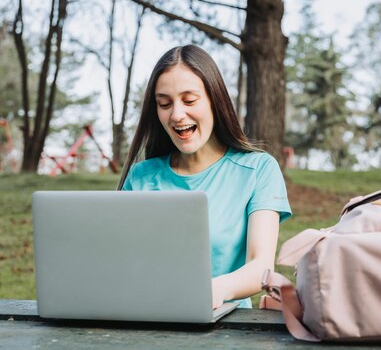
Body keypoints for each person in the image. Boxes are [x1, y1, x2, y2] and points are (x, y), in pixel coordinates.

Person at [118, 44, 292, 308]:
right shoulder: (140, 176)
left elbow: (261, 266)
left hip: (224, 329)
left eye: (189, 100)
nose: (177, 115)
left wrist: (213, 290)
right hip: (148, 318)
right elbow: (120, 260)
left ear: (215, 99)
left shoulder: (259, 169)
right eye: (164, 103)